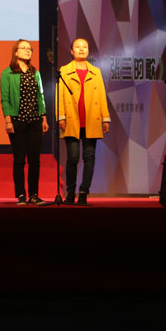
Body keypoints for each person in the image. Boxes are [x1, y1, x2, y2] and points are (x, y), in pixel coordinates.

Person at [57, 38, 110, 206]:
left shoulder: (96, 72)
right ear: (71, 51)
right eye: (77, 47)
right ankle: (70, 193)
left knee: (89, 157)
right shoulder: (64, 70)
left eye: (84, 46)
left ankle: (83, 192)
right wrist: (61, 116)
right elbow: (60, 95)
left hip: (91, 120)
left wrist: (105, 118)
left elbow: (101, 95)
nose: (81, 49)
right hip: (71, 119)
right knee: (72, 158)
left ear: (88, 50)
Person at [0, 39, 49, 205]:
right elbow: (5, 99)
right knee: (19, 159)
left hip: (35, 120)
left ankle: (34, 194)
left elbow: (40, 96)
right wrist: (8, 121)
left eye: (30, 49)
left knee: (34, 160)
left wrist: (43, 117)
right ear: (16, 52)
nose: (28, 51)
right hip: (17, 120)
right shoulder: (7, 73)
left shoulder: (35, 72)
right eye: (24, 48)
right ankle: (21, 194)